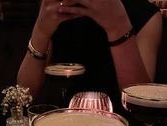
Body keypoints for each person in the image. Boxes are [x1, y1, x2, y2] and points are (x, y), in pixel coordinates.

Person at [17, 0, 163, 110]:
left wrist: (118, 27)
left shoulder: (145, 13)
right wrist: (40, 32)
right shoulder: (59, 7)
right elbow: (23, 96)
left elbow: (141, 104)